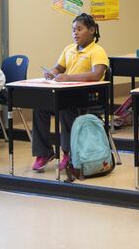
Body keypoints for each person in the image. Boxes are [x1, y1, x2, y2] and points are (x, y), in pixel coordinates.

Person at [32, 13, 109, 171]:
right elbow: (58, 68)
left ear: (92, 30)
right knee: (40, 107)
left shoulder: (97, 50)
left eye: (79, 29)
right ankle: (44, 152)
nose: (75, 33)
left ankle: (68, 152)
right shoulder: (69, 49)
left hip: (88, 97)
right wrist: (51, 72)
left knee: (66, 107)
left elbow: (96, 74)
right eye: (73, 30)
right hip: (67, 93)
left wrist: (68, 77)